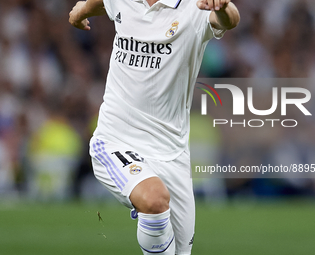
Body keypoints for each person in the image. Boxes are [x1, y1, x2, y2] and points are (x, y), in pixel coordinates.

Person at [69, 0, 239, 254]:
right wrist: (79, 11)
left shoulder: (195, 6)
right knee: (154, 199)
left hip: (172, 153)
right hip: (116, 138)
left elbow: (229, 19)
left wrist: (222, 6)